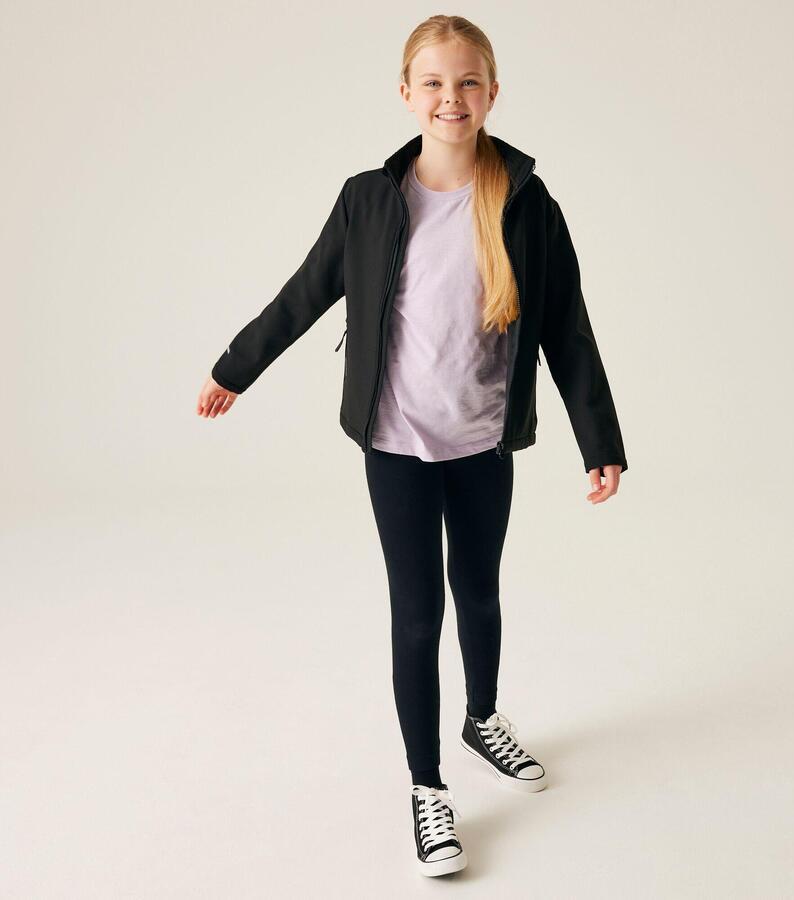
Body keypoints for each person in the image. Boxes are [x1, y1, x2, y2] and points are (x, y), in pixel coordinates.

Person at [196, 14, 628, 878]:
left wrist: (599, 440)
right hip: (394, 443)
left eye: (467, 82)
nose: (450, 98)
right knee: (418, 612)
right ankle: (428, 788)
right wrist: (235, 368)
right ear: (405, 94)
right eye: (433, 83)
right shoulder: (368, 199)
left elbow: (567, 328)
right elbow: (304, 292)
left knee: (480, 592)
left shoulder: (528, 203)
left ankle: (482, 718)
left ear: (492, 93)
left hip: (483, 442)